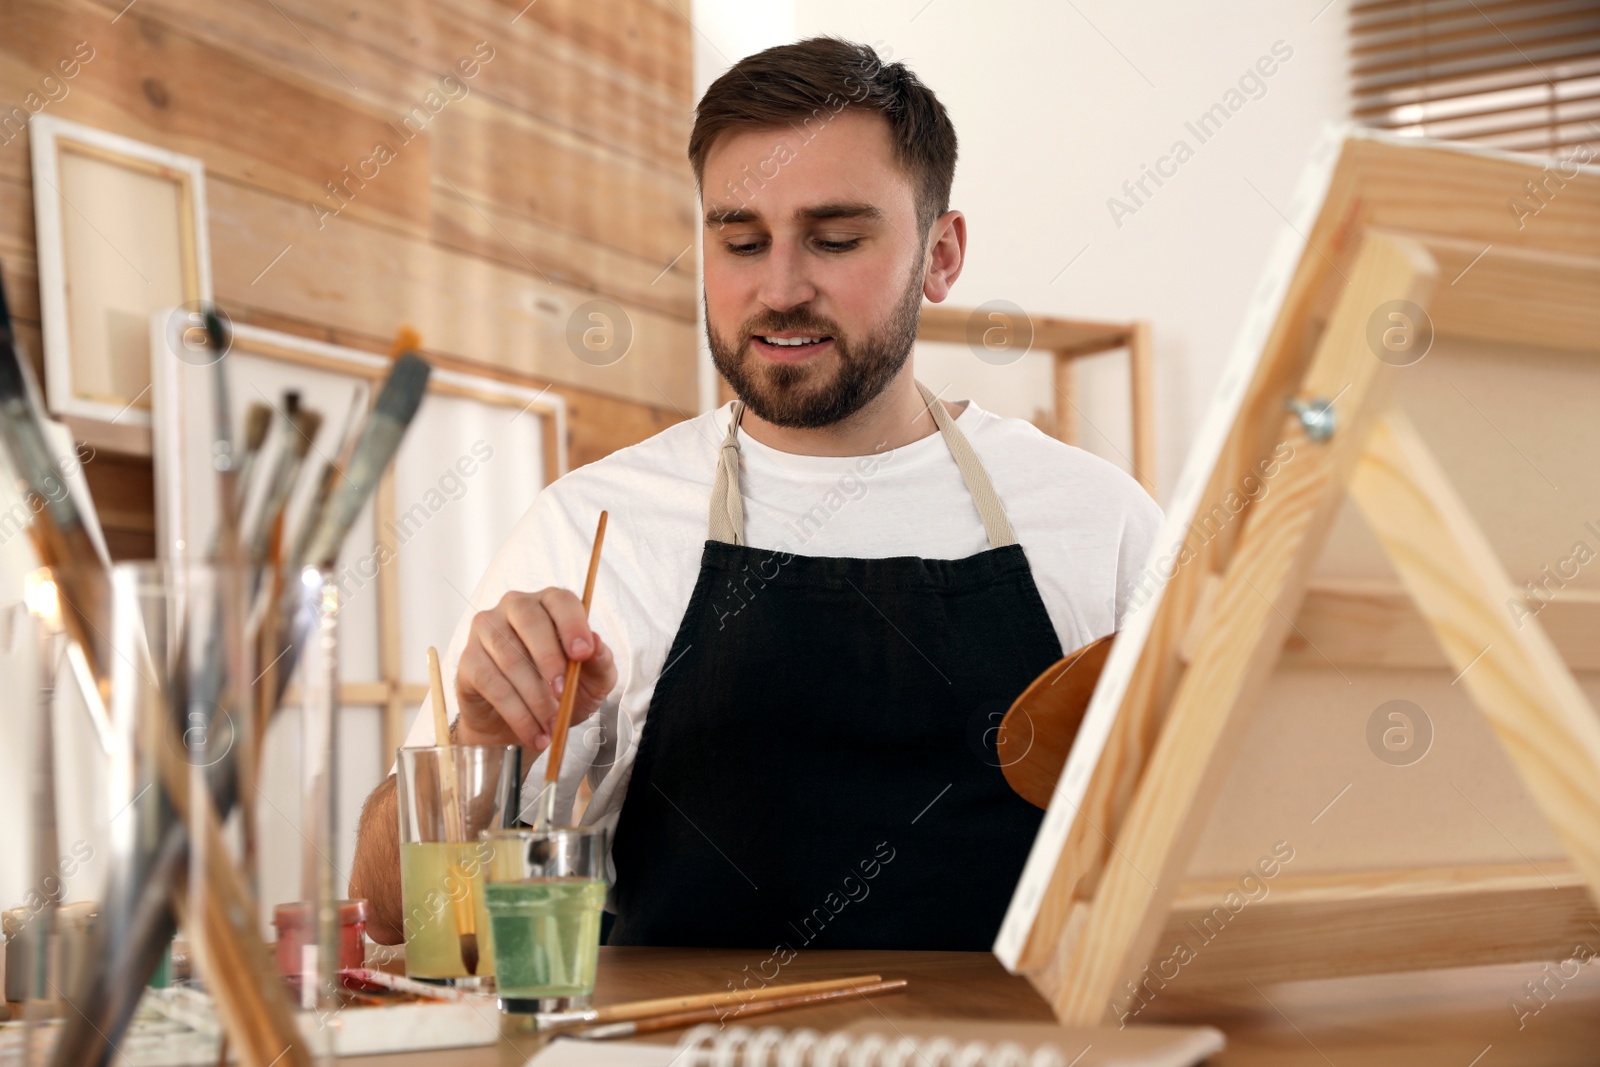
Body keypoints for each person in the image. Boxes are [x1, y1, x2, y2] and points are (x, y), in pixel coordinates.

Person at [350, 36, 1161, 952]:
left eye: (836, 239)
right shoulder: (594, 529)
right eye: (741, 240)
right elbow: (393, 917)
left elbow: (1205, 868)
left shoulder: (1100, 523)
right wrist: (479, 745)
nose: (779, 288)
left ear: (941, 255)